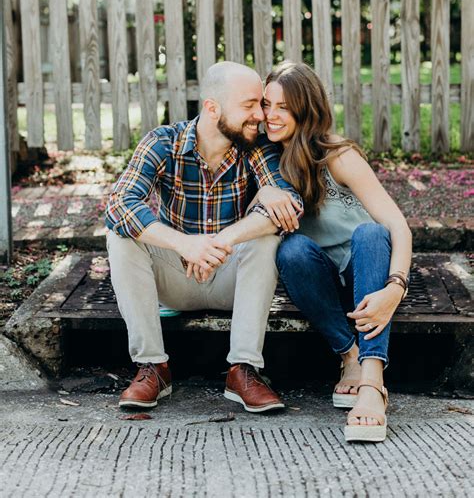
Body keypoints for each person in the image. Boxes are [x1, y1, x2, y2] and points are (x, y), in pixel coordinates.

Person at [105, 61, 303, 414]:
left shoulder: (255, 146)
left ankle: (244, 370)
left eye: (260, 104)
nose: (260, 115)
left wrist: (219, 241)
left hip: (232, 277)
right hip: (175, 277)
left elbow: (291, 207)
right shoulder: (164, 143)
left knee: (265, 237)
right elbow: (120, 203)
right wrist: (186, 244)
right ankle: (153, 366)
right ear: (212, 108)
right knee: (120, 235)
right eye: (249, 105)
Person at [254, 61, 412, 442]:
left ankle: (373, 381)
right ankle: (349, 355)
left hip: (370, 276)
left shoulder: (336, 155)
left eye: (284, 107)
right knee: (290, 250)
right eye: (266, 105)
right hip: (317, 283)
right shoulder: (262, 160)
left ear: (306, 109)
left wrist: (396, 287)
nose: (271, 116)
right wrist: (264, 191)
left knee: (372, 234)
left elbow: (397, 226)